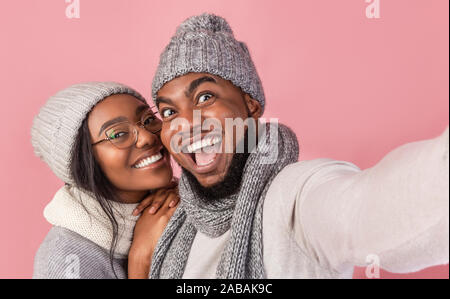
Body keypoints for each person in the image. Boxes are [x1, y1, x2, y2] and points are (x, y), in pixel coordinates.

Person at [143, 13, 449, 279]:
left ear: (250, 105)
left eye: (205, 97)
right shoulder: (173, 222)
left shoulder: (295, 194)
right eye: (169, 112)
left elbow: (375, 209)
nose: (187, 123)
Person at [31, 82, 179, 279]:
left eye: (149, 119)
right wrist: (141, 260)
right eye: (118, 134)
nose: (147, 137)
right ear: (82, 163)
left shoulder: (173, 204)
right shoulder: (67, 257)